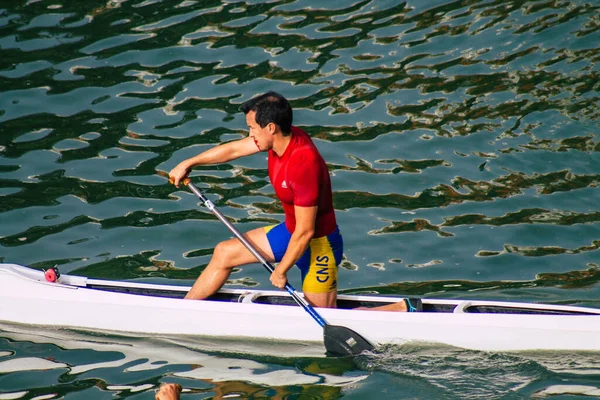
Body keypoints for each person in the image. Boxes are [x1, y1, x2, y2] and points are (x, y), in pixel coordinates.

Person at [169, 91, 421, 312]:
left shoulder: (302, 163)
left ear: (270, 128)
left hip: (318, 245)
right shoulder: (282, 138)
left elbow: (306, 231)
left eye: (252, 129)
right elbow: (234, 150)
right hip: (291, 232)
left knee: (325, 314)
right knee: (224, 252)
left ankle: (400, 309)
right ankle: (185, 311)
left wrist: (281, 270)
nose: (249, 135)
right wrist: (189, 162)